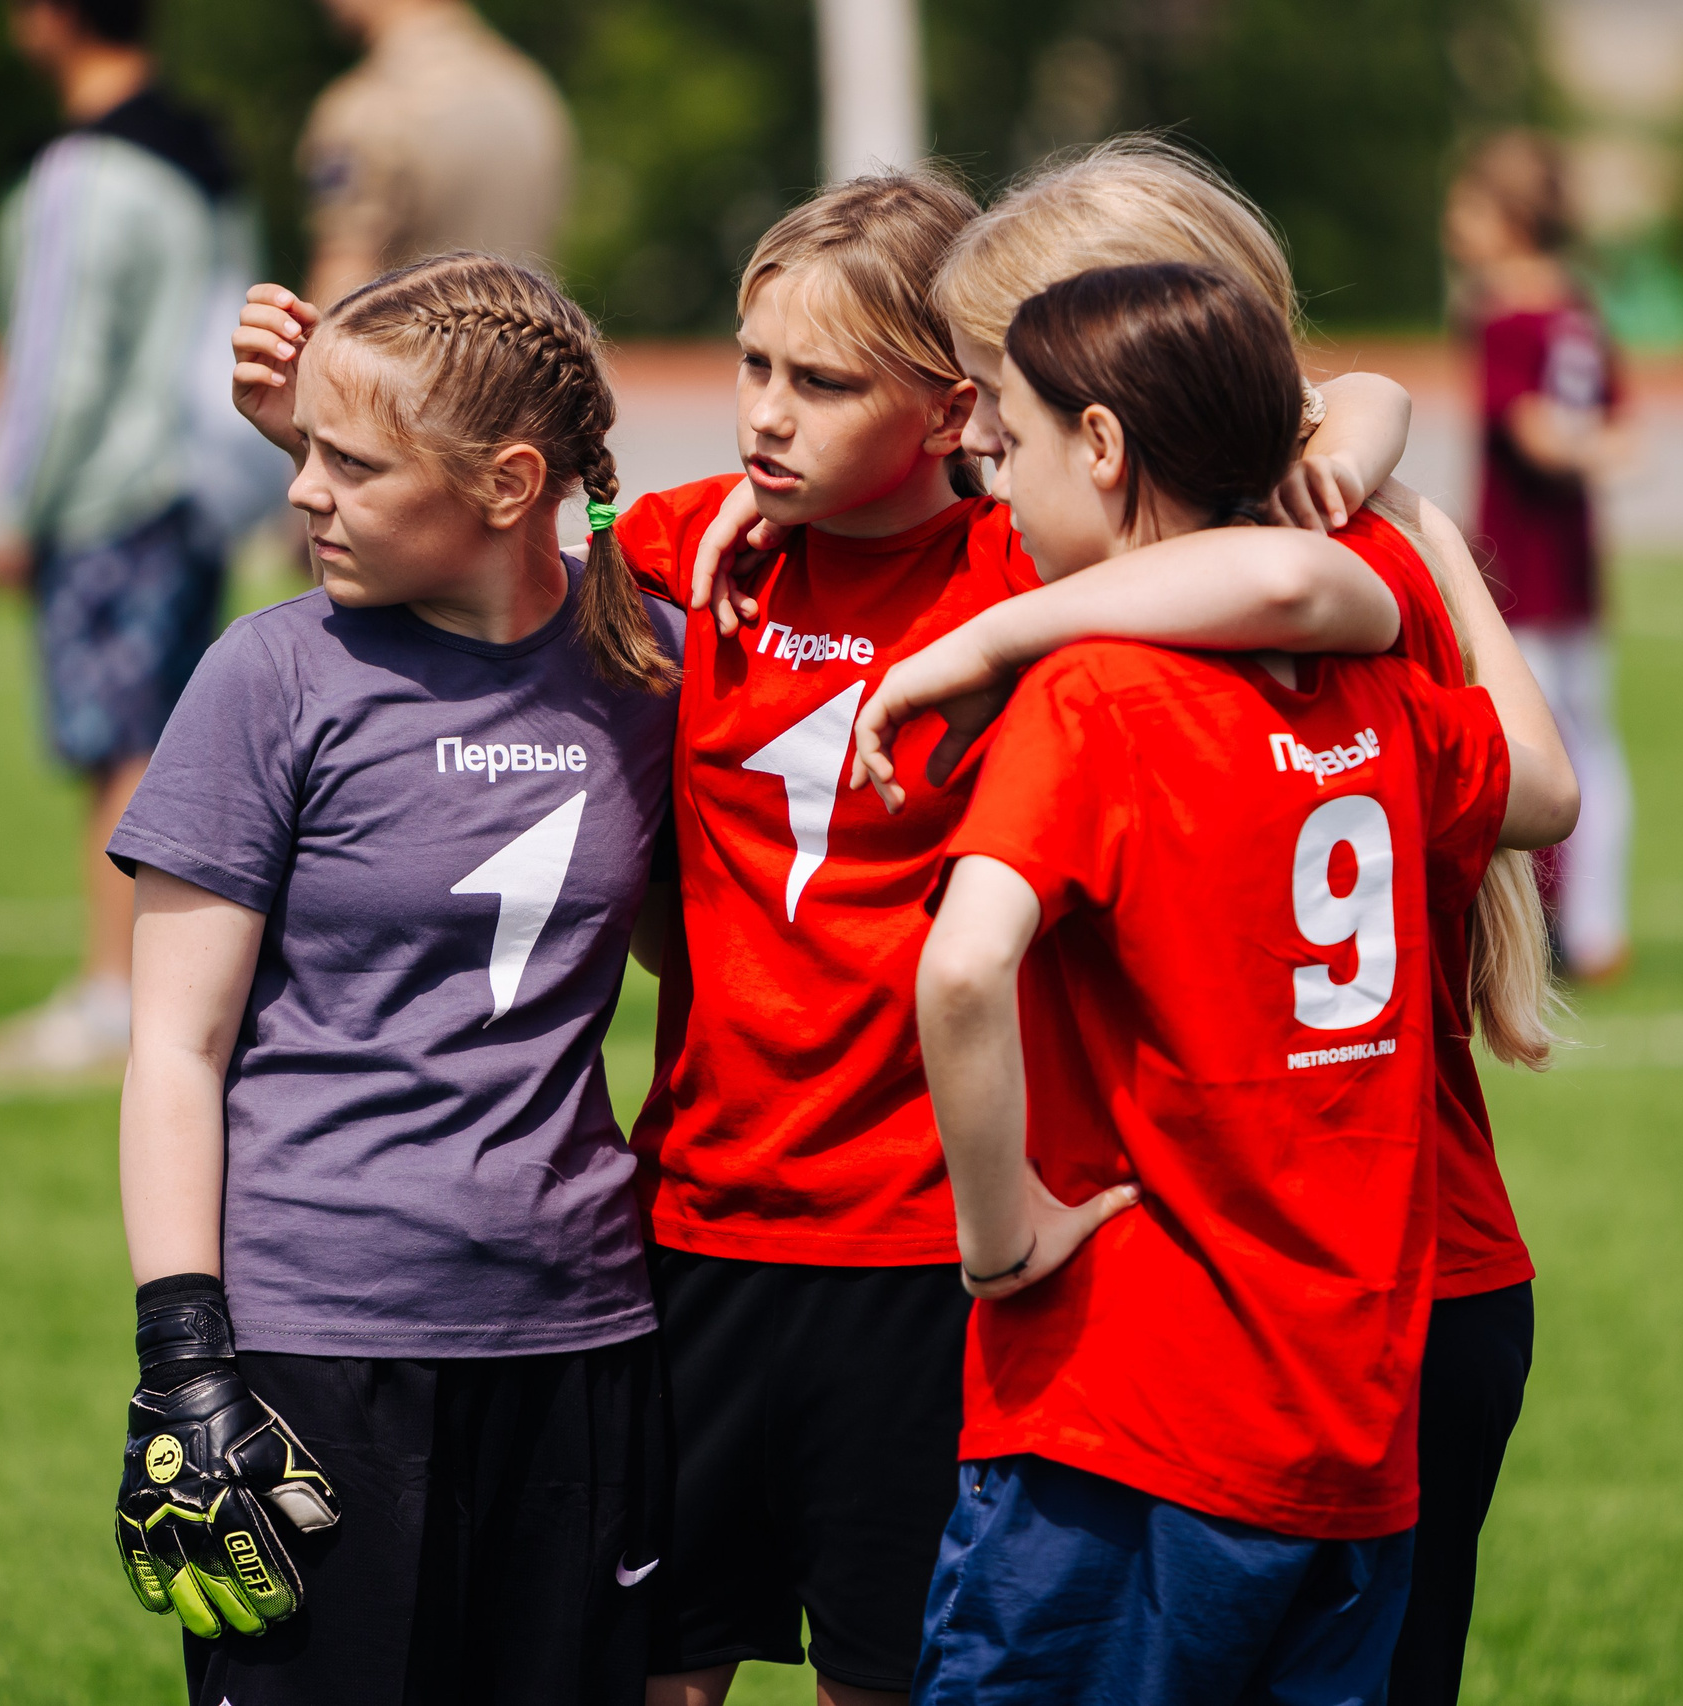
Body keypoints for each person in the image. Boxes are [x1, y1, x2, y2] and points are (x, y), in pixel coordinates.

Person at [605, 170, 1414, 1706]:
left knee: (890, 1669)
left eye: (824, 381)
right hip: (697, 1217)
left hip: (920, 1247)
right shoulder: (693, 541)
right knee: (655, 1665)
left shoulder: (1019, 563)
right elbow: (505, 525)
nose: (764, 414)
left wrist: (1356, 433)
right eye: (752, 364)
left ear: (954, 412)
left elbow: (1329, 480)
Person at [856, 136, 1559, 1706]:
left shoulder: (1129, 621)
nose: (967, 433)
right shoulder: (1315, 542)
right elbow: (1511, 761)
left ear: (1098, 413)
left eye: (991, 384)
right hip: (1369, 1311)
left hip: (1198, 1326)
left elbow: (1315, 593)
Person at [108, 252, 685, 1705]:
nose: (302, 491)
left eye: (347, 463)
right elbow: (175, 1046)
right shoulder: (267, 677)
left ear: (508, 483)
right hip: (318, 1353)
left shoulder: (654, 663)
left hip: (582, 1337)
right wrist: (184, 1352)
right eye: (301, 448)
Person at [0, 0, 270, 1077]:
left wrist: (19, 507)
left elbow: (62, 361)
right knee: (169, 735)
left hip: (109, 493)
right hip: (194, 484)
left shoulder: (82, 171)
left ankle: (118, 993)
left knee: (119, 744)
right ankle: (169, 986)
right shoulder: (203, 150)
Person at [1446, 128, 1640, 984]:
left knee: (1532, 742)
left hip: (1518, 559)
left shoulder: (1502, 316)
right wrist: (1597, 450)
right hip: (1575, 560)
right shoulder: (1582, 308)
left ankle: (1546, 930)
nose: (1456, 222)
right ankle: (1599, 930)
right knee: (1592, 739)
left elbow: (1527, 429)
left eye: (1470, 205)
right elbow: (1620, 429)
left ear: (1512, 218)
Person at [299, 0, 573, 309]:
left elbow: (338, 294)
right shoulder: (530, 93)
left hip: (413, 353)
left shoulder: (369, 108)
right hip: (527, 350)